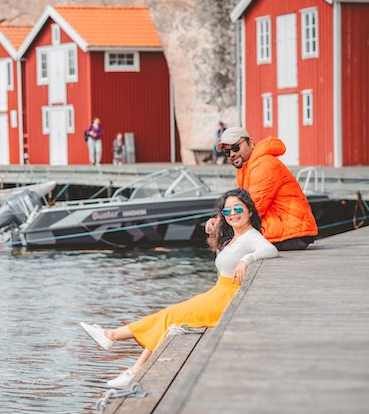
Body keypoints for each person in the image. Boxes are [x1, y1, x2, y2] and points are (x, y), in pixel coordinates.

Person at [80, 188, 278, 388]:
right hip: (219, 293)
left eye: (238, 208)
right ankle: (125, 358)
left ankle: (114, 340)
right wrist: (214, 230)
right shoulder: (234, 236)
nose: (233, 214)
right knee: (169, 317)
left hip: (228, 299)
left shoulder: (250, 235)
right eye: (227, 211)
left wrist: (247, 259)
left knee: (170, 317)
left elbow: (270, 249)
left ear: (250, 211)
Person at [209, 126, 318, 251]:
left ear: (250, 142)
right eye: (227, 152)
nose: (232, 154)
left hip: (292, 233)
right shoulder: (246, 166)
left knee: (230, 244)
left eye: (235, 148)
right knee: (230, 241)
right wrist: (218, 220)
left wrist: (221, 224)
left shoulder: (264, 165)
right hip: (282, 229)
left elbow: (254, 207)